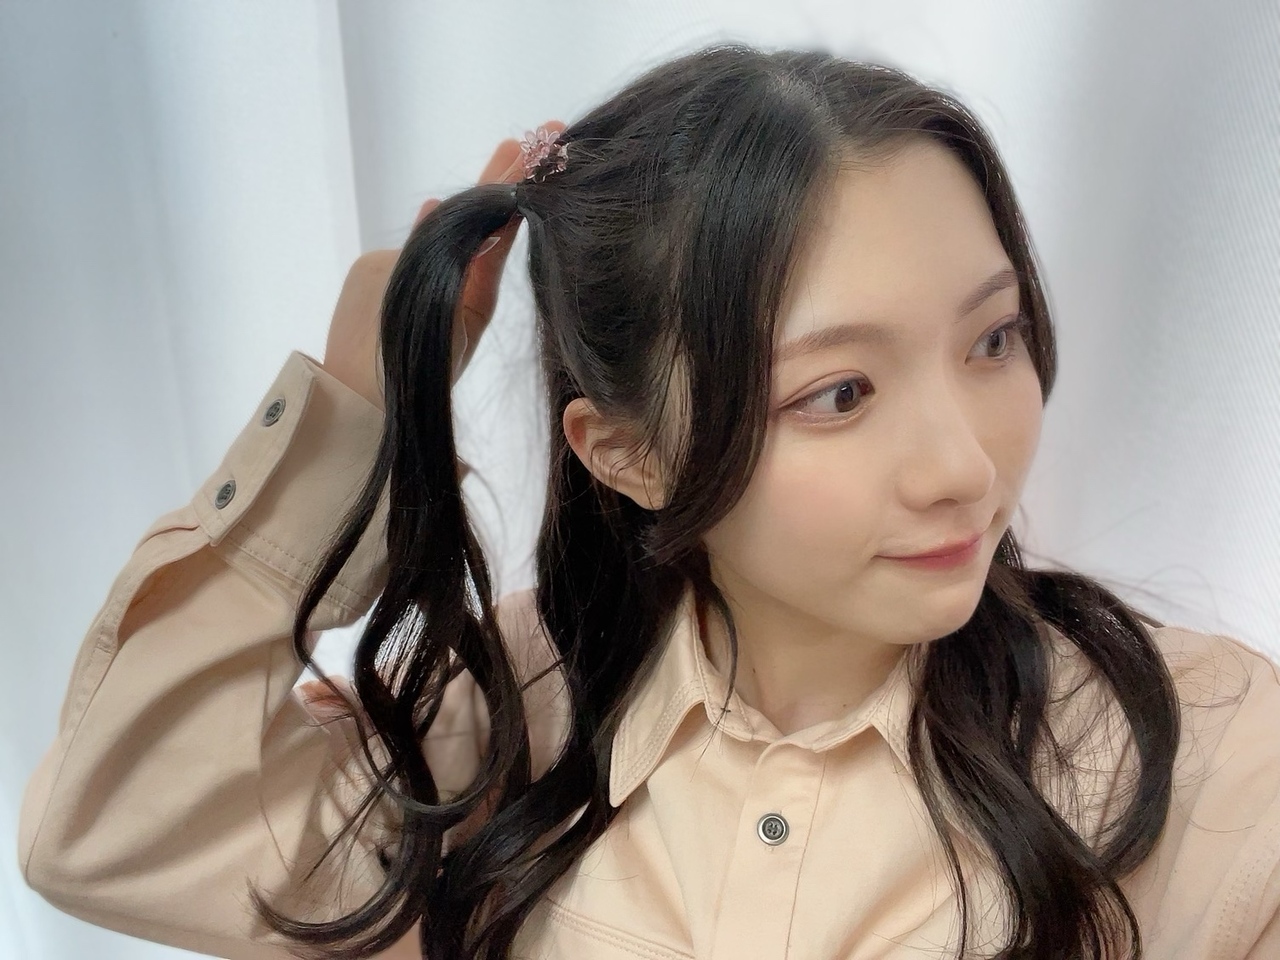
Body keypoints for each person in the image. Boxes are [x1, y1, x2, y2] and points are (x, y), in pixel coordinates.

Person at [17, 43, 1280, 960]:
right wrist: (356, 410)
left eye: (990, 340)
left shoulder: (1207, 759)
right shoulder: (500, 726)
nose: (962, 465)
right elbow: (114, 828)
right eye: (839, 393)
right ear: (624, 456)